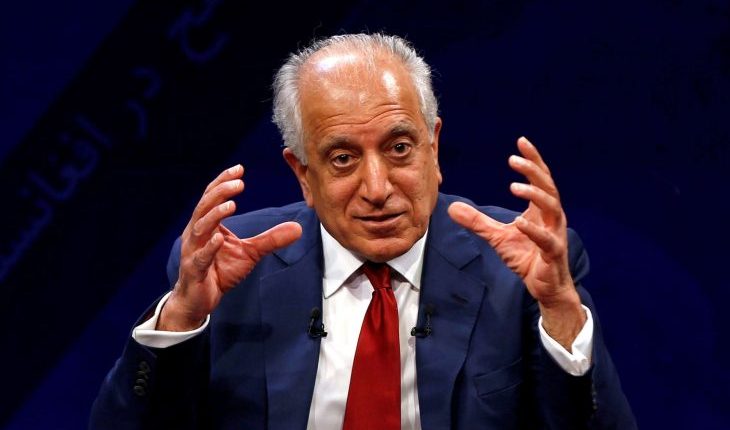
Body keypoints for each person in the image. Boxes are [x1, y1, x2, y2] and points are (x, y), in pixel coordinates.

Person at [90, 33, 636, 429]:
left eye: (399, 148)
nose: (377, 188)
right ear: (303, 174)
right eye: (343, 158)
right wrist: (182, 317)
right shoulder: (230, 269)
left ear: (433, 148)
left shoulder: (517, 268)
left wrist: (560, 309)